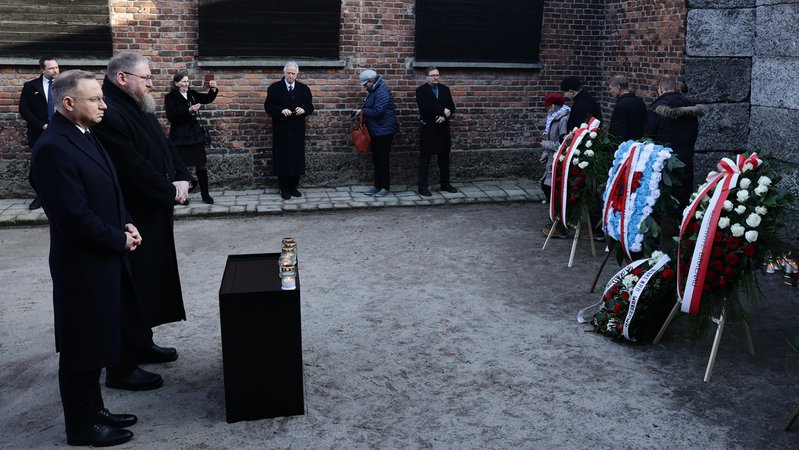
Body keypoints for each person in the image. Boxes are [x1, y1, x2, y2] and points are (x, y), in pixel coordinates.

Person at [29, 70, 145, 447]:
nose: (103, 104)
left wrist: (127, 224)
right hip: (81, 265)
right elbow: (72, 216)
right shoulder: (52, 148)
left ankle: (95, 410)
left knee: (98, 339)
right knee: (81, 346)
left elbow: (110, 188)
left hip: (104, 256)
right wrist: (117, 239)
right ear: (68, 103)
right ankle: (81, 426)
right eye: (95, 98)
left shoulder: (84, 133)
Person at [93, 52, 192, 391]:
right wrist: (169, 191)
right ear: (122, 78)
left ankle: (141, 342)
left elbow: (164, 144)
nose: (151, 82)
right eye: (145, 76)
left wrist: (182, 175)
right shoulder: (108, 109)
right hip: (132, 214)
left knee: (148, 282)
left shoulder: (138, 102)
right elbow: (130, 166)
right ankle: (120, 366)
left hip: (153, 209)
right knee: (129, 286)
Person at [646, 75, 705, 248]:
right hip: (685, 159)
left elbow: (649, 135)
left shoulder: (656, 108)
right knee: (682, 199)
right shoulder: (691, 108)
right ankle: (682, 239)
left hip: (663, 163)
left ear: (661, 90)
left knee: (659, 200)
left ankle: (660, 241)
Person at [164, 70, 219, 204]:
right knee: (182, 168)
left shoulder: (192, 94)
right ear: (176, 83)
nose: (186, 84)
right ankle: (183, 196)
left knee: (201, 166)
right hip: (180, 137)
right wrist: (189, 111)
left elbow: (207, 99)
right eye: (183, 81)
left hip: (195, 136)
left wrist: (213, 89)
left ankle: (205, 195)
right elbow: (172, 117)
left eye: (187, 81)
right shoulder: (170, 97)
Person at [264, 61, 314, 200]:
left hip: (297, 129)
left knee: (296, 158)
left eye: (293, 73)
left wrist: (304, 109)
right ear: (284, 73)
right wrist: (280, 110)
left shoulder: (304, 89)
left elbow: (310, 106)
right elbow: (268, 106)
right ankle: (284, 188)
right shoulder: (274, 88)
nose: (290, 76)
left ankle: (294, 187)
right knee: (282, 159)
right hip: (281, 129)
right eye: (288, 73)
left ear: (297, 74)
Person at [19, 56, 60, 210]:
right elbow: (24, 110)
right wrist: (41, 125)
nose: (55, 70)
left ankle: (61, 194)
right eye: (51, 68)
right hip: (39, 132)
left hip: (61, 130)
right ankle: (40, 196)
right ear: (42, 69)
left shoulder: (65, 84)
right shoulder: (31, 86)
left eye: (56, 67)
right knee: (38, 166)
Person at [355, 69, 399, 197]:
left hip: (384, 131)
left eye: (365, 84)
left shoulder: (382, 91)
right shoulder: (374, 90)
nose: (364, 87)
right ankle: (377, 185)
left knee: (382, 160)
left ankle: (385, 187)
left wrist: (362, 111)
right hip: (377, 130)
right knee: (376, 159)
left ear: (371, 81)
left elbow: (379, 111)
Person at [415, 66, 457, 196]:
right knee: (425, 157)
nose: (436, 77)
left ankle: (445, 184)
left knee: (444, 157)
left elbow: (451, 106)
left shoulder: (445, 89)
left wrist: (444, 116)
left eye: (437, 75)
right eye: (433, 75)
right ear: (427, 77)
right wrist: (441, 111)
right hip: (428, 128)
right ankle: (422, 186)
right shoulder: (421, 91)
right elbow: (424, 107)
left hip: (442, 127)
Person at [539, 93, 570, 238]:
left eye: (548, 107)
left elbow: (562, 143)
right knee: (546, 186)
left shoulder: (563, 119)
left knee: (551, 187)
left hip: (557, 158)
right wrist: (545, 154)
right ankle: (555, 220)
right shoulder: (553, 118)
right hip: (551, 156)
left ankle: (558, 223)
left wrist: (546, 145)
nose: (547, 110)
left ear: (554, 106)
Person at [607, 74, 647, 145]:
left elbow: (617, 132)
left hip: (625, 147)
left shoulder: (620, 105)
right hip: (639, 144)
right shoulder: (640, 102)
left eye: (611, 88)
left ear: (618, 87)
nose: (610, 91)